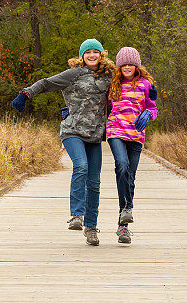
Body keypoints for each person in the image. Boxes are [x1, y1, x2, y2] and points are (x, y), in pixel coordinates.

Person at [12, 38, 115, 246]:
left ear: (101, 54)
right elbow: (46, 83)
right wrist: (25, 94)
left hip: (95, 134)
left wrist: (148, 96)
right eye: (88, 52)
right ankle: (77, 215)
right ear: (82, 55)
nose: (92, 55)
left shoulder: (108, 77)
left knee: (94, 183)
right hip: (72, 131)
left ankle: (91, 228)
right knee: (81, 166)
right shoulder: (74, 74)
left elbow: (129, 86)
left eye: (96, 52)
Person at [105, 46, 158, 244]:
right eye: (124, 64)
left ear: (137, 66)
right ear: (119, 67)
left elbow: (153, 109)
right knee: (122, 166)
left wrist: (148, 114)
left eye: (131, 64)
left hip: (136, 134)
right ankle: (127, 208)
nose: (127, 67)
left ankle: (123, 227)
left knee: (130, 177)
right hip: (116, 131)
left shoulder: (146, 84)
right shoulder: (113, 85)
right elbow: (98, 103)